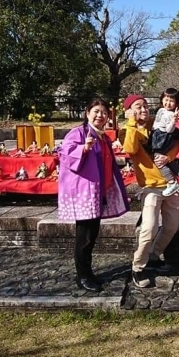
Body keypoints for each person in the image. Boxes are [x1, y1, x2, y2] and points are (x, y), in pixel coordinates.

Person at [58, 98, 129, 292]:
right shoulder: (78, 133)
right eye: (96, 111)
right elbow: (64, 154)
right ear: (87, 112)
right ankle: (82, 276)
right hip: (84, 193)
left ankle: (88, 273)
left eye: (104, 112)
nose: (100, 115)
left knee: (92, 235)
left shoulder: (103, 137)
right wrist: (84, 148)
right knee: (85, 236)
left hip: (98, 192)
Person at [119, 94, 179, 288]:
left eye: (145, 105)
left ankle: (155, 255)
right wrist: (132, 122)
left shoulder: (158, 123)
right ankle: (138, 267)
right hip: (150, 187)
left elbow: (177, 144)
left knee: (172, 226)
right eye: (138, 106)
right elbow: (130, 148)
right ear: (129, 111)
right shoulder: (127, 131)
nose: (143, 109)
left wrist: (168, 157)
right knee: (149, 228)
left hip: (171, 184)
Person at [149, 88, 179, 196]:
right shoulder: (161, 110)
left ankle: (171, 182)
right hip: (158, 135)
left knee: (159, 161)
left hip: (162, 138)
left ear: (176, 103)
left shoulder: (171, 115)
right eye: (166, 99)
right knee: (169, 162)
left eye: (172, 101)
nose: (168, 103)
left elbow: (169, 130)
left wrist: (173, 121)